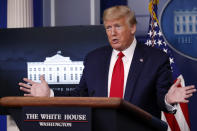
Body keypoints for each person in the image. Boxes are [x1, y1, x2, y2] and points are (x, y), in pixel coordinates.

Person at [19, 5, 196, 119]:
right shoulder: (94, 58)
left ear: (133, 27)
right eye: (108, 28)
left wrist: (168, 99)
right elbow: (80, 97)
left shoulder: (156, 59)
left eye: (118, 26)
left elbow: (160, 99)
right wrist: (50, 96)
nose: (112, 33)